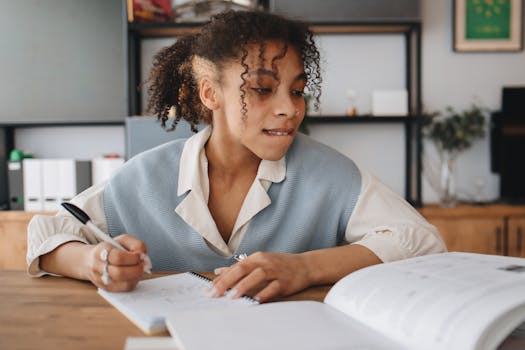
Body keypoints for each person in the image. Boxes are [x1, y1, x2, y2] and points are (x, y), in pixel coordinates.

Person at [27, 10, 446, 302]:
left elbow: (421, 240)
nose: (290, 108)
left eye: (297, 90)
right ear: (211, 93)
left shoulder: (331, 173)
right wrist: (92, 261)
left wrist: (305, 268)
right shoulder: (144, 177)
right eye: (262, 88)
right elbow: (47, 233)